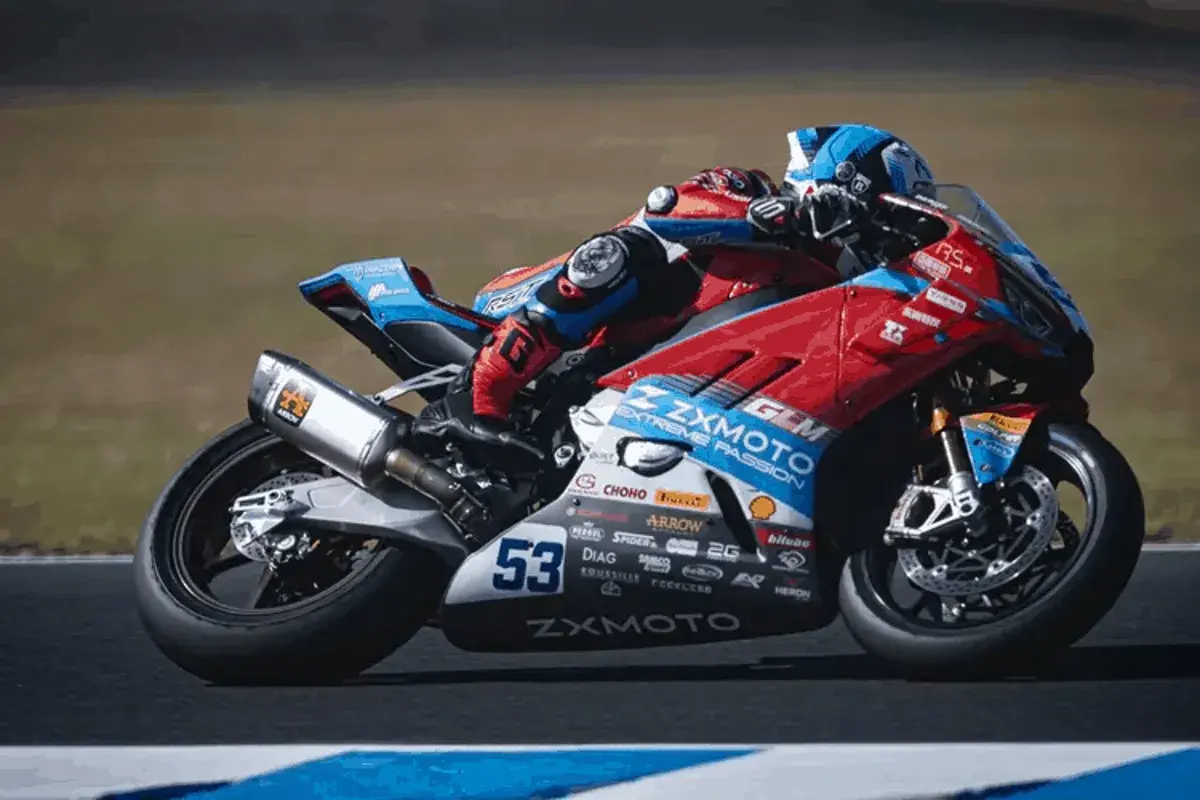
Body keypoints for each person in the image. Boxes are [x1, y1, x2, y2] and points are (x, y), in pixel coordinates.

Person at [409, 123, 938, 464]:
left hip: (659, 383)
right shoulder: (749, 187)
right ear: (846, 186)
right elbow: (668, 207)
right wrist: (772, 217)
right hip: (566, 326)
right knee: (625, 252)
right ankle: (480, 393)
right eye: (887, 216)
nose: (887, 240)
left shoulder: (831, 284)